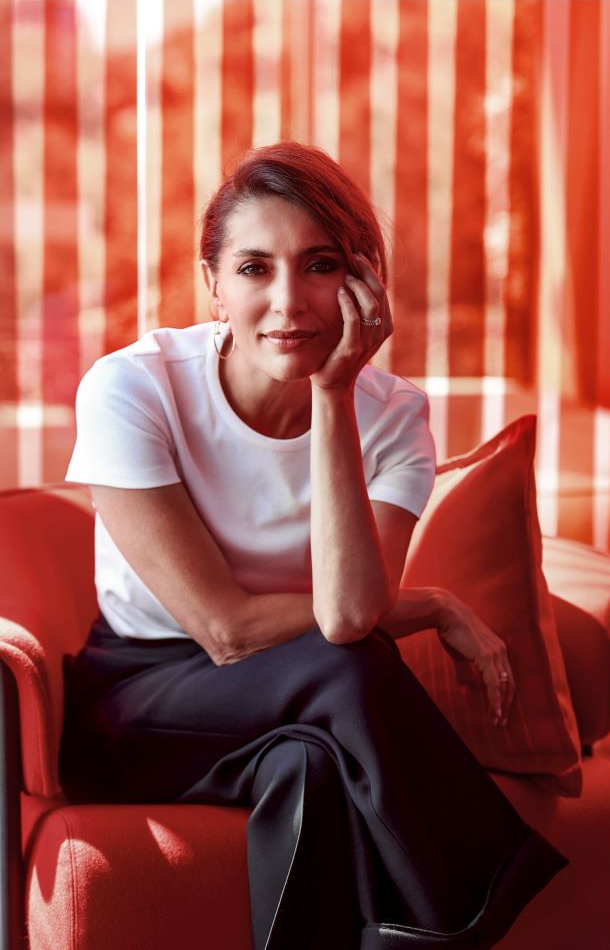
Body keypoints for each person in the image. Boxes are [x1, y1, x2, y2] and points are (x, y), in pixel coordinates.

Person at [59, 141, 568, 949]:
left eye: (320, 265)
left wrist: (333, 395)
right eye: (254, 268)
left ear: (364, 281)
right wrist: (429, 606)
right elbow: (229, 630)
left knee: (313, 770)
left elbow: (349, 611)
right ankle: (476, 912)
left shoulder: (393, 415)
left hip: (298, 706)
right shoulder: (133, 388)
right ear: (213, 283)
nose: (289, 301)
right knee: (354, 665)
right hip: (140, 702)